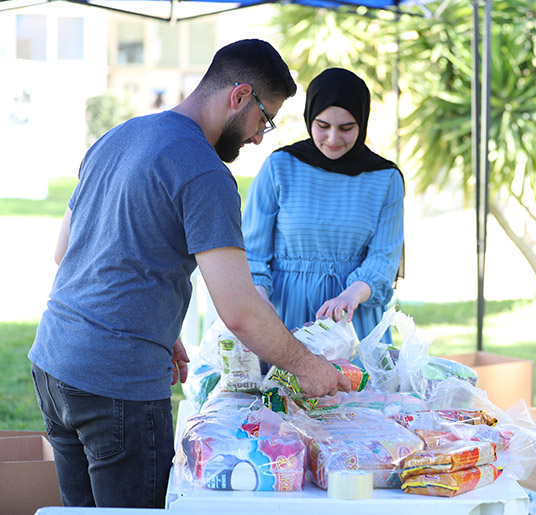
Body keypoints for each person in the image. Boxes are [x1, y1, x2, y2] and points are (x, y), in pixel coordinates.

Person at [28, 39, 350, 509]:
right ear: (239, 96)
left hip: (55, 364)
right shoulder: (205, 171)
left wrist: (159, 326)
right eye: (264, 119)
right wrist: (307, 366)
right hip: (118, 385)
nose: (259, 136)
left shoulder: (120, 135)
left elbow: (67, 253)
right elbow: (240, 311)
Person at [241, 67, 404, 349]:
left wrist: (350, 296)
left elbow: (384, 259)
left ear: (362, 122)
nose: (332, 139)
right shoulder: (280, 167)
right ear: (309, 117)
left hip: (353, 319)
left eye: (347, 128)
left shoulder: (386, 178)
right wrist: (262, 308)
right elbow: (251, 253)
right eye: (323, 125)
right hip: (284, 315)